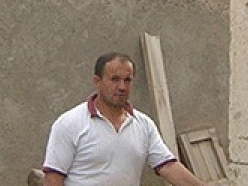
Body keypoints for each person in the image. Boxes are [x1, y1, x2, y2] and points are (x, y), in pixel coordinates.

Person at [42, 52, 207, 186]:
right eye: (114, 79)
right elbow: (53, 178)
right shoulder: (70, 124)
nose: (122, 87)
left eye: (127, 80)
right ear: (97, 82)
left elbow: (168, 166)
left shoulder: (143, 125)